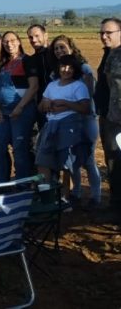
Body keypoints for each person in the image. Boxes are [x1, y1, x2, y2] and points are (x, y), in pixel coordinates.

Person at [50, 34, 101, 209]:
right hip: (68, 122)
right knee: (74, 159)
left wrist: (65, 105)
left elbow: (88, 95)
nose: (59, 51)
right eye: (56, 48)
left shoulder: (84, 69)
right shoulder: (56, 72)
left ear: (71, 47)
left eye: (62, 47)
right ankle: (76, 193)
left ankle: (96, 196)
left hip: (86, 119)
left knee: (88, 159)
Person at [35, 54, 91, 201]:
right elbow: (41, 107)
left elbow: (85, 108)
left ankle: (65, 199)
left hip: (69, 126)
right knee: (43, 162)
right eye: (63, 66)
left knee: (66, 166)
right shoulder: (52, 85)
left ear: (75, 70)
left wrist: (65, 103)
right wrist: (46, 104)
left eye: (70, 67)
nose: (66, 70)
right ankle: (46, 196)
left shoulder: (79, 86)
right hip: (51, 125)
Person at [0, 31, 40, 182]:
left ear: (19, 41)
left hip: (22, 112)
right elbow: (0, 88)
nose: (9, 44)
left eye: (12, 40)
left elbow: (34, 87)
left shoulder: (27, 61)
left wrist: (20, 107)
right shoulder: (3, 64)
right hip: (4, 113)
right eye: (6, 41)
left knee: (19, 149)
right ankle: (0, 182)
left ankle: (22, 184)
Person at [97, 17, 121, 223]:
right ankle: (116, 206)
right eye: (101, 33)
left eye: (109, 33)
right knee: (113, 163)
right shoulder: (111, 56)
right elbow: (108, 86)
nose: (104, 36)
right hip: (113, 119)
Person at [26, 24, 55, 127]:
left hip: (59, 105)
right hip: (41, 106)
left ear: (46, 36)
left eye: (37, 36)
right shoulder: (30, 60)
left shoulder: (56, 55)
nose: (33, 40)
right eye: (30, 37)